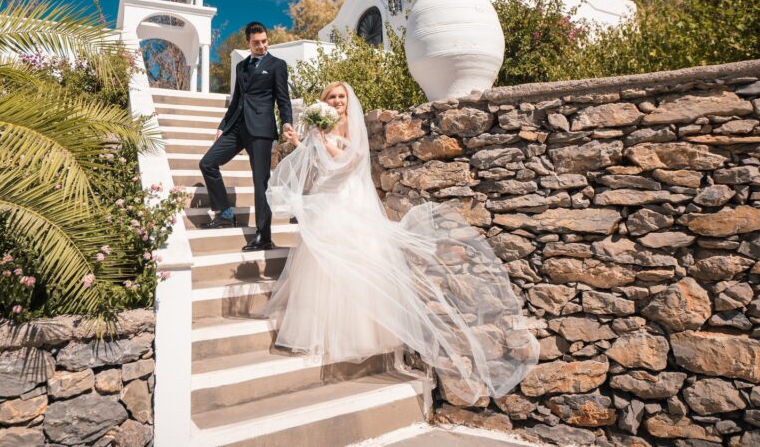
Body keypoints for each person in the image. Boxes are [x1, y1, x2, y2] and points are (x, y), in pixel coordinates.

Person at [263, 81, 540, 403]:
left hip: (346, 197)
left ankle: (355, 334)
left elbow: (351, 161)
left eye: (341, 97)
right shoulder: (319, 128)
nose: (337, 101)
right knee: (320, 265)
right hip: (326, 195)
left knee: (354, 262)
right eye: (332, 97)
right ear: (324, 101)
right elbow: (316, 163)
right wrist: (301, 142)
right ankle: (321, 333)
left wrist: (324, 142)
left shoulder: (350, 125)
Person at [198, 22, 293, 252]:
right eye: (256, 42)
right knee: (207, 163)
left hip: (260, 129)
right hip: (236, 127)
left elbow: (283, 98)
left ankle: (264, 236)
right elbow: (236, 99)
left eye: (264, 41)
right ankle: (225, 214)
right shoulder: (241, 66)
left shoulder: (277, 65)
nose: (261, 46)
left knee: (261, 182)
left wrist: (287, 122)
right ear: (247, 43)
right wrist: (223, 125)